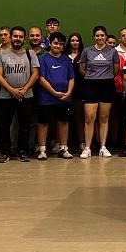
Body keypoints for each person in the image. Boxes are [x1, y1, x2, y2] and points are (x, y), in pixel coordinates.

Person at [0, 26, 40, 163]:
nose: (17, 39)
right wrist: (12, 90)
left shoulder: (30, 54)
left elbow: (35, 74)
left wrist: (24, 90)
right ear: (11, 37)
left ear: (24, 39)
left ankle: (23, 151)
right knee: (4, 125)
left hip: (26, 95)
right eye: (15, 36)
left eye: (20, 37)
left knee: (25, 125)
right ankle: (5, 152)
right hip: (6, 96)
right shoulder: (2, 55)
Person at [79, 26, 120, 158]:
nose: (100, 37)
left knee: (104, 117)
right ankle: (87, 148)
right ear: (94, 37)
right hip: (90, 86)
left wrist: (104, 77)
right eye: (97, 35)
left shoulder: (113, 52)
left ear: (106, 37)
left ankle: (103, 147)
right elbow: (82, 69)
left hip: (107, 85)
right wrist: (93, 77)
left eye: (102, 35)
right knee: (90, 117)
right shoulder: (87, 51)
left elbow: (116, 70)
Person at [37, 32, 75, 160]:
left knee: (63, 122)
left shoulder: (66, 59)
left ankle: (63, 149)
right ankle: (42, 150)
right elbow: (41, 79)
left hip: (64, 98)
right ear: (50, 44)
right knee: (43, 123)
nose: (58, 46)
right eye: (55, 43)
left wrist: (68, 93)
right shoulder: (43, 58)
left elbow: (71, 78)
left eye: (60, 44)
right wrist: (54, 93)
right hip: (47, 98)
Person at [65, 33, 86, 153]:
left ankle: (82, 143)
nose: (74, 42)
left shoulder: (84, 55)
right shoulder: (64, 56)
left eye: (77, 40)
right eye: (72, 40)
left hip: (80, 91)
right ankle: (63, 144)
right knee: (64, 118)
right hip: (65, 90)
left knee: (79, 117)